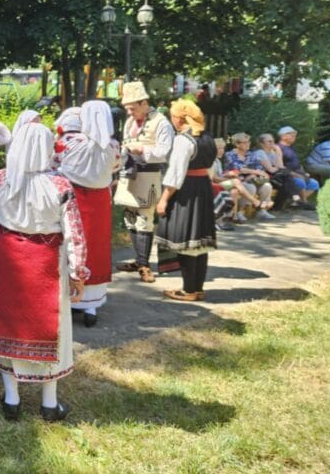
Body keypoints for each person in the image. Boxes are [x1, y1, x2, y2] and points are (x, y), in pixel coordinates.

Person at [0, 123, 88, 422]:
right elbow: (75, 233)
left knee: (5, 325)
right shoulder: (60, 186)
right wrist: (78, 272)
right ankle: (49, 403)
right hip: (45, 262)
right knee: (51, 329)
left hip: (5, 260)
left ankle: (12, 399)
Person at [54, 101, 119, 327]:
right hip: (100, 200)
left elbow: (56, 165)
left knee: (72, 244)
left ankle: (70, 297)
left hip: (73, 199)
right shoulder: (113, 146)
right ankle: (91, 303)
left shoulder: (68, 143)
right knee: (96, 246)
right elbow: (116, 169)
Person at [155, 99, 217, 301]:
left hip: (187, 190)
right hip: (203, 188)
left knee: (186, 240)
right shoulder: (207, 138)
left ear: (177, 118)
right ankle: (196, 288)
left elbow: (175, 174)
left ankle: (189, 290)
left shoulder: (184, 140)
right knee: (199, 242)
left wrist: (164, 199)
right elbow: (211, 167)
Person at [114, 81, 174, 283]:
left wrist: (142, 150)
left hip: (148, 175)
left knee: (144, 219)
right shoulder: (131, 122)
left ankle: (145, 265)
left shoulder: (161, 122)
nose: (129, 113)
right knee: (130, 218)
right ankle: (139, 260)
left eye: (132, 108)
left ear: (144, 103)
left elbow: (164, 152)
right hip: (129, 174)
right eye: (127, 109)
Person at [223, 132, 274, 220]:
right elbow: (238, 168)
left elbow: (259, 168)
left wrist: (252, 175)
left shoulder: (251, 154)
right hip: (237, 180)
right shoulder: (230, 155)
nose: (248, 144)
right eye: (245, 142)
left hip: (252, 179)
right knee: (250, 187)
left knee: (267, 186)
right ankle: (240, 212)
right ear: (237, 144)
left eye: (248, 142)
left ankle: (261, 211)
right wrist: (254, 172)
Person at [278, 126, 319, 208]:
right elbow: (280, 166)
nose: (294, 137)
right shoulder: (278, 148)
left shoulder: (292, 147)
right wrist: (295, 174)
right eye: (291, 135)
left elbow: (297, 163)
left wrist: (303, 172)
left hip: (298, 173)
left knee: (314, 183)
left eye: (295, 135)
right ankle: (304, 202)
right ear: (283, 136)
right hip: (287, 175)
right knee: (300, 182)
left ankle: (297, 202)